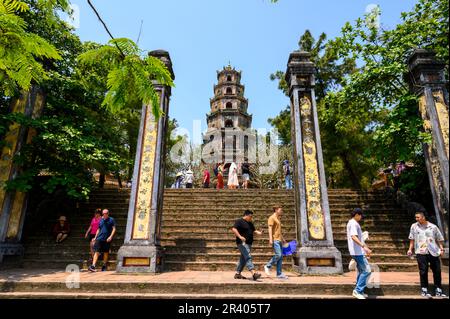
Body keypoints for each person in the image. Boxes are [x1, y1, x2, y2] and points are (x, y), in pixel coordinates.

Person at [407, 211, 446, 298]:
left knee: (437, 270)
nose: (416, 219)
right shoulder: (414, 226)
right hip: (421, 251)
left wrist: (441, 248)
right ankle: (424, 289)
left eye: (418, 217)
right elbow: (412, 239)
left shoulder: (433, 227)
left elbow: (439, 238)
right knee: (423, 270)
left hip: (433, 251)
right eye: (415, 217)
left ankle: (438, 289)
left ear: (423, 217)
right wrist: (410, 249)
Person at [347, 208, 372, 299]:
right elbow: (353, 236)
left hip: (357, 251)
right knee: (367, 270)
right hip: (357, 252)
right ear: (357, 214)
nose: (361, 218)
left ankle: (359, 291)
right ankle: (357, 291)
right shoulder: (353, 223)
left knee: (361, 271)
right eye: (361, 216)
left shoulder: (352, 223)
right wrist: (363, 247)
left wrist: (365, 249)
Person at [231, 210, 263, 281]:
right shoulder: (239, 221)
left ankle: (238, 273)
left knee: (243, 259)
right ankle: (254, 273)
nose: (251, 218)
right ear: (246, 215)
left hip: (249, 243)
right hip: (242, 243)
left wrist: (259, 233)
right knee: (248, 256)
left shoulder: (250, 223)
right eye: (250, 216)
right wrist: (240, 236)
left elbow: (254, 231)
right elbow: (234, 229)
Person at [264, 206, 288, 279]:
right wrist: (270, 239)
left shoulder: (278, 218)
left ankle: (279, 273)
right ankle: (267, 266)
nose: (281, 211)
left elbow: (278, 230)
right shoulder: (271, 218)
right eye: (280, 210)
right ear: (276, 210)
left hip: (279, 239)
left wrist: (283, 239)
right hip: (275, 240)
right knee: (278, 255)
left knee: (280, 257)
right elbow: (270, 229)